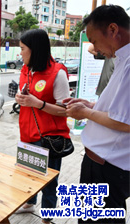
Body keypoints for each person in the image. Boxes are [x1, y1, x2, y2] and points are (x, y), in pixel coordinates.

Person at [64, 5, 130, 224]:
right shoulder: (121, 59)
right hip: (101, 163)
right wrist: (90, 104)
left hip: (108, 168)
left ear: (112, 29)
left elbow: (125, 123)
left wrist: (86, 113)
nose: (94, 47)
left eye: (94, 39)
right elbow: (118, 108)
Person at [14, 29, 71, 224]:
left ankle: (47, 217)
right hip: (27, 133)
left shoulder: (58, 73)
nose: (19, 53)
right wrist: (20, 98)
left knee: (48, 181)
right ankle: (30, 203)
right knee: (29, 174)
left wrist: (37, 103)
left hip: (48, 138)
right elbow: (26, 96)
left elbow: (66, 110)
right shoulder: (27, 69)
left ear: (35, 49)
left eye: (22, 49)